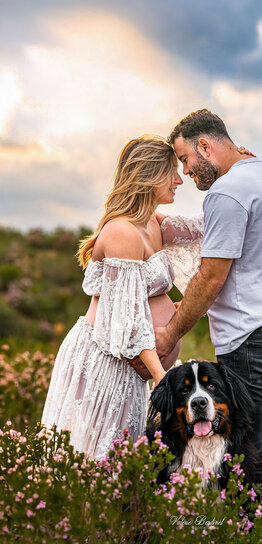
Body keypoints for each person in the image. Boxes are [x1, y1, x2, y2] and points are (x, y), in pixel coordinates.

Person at [155, 109, 262, 503]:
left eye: (186, 159)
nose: (186, 171)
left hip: (252, 336)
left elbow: (211, 276)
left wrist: (170, 333)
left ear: (205, 146)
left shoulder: (226, 192)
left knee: (258, 448)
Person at [41, 135, 187, 460]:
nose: (179, 181)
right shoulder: (122, 231)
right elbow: (127, 317)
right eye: (171, 172)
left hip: (131, 368)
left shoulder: (153, 222)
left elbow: (210, 229)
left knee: (120, 462)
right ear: (149, 175)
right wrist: (162, 378)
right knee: (96, 458)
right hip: (106, 362)